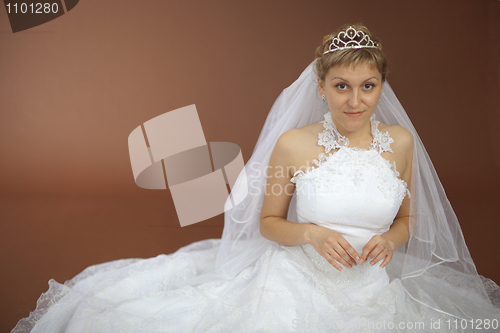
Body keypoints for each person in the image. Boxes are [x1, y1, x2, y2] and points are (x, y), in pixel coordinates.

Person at [12, 24, 500, 333]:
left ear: (381, 87)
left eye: (368, 87)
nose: (355, 101)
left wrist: (390, 241)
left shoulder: (400, 143)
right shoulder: (295, 143)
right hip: (298, 277)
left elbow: (407, 218)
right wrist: (309, 232)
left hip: (372, 281)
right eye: (342, 87)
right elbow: (268, 221)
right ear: (321, 87)